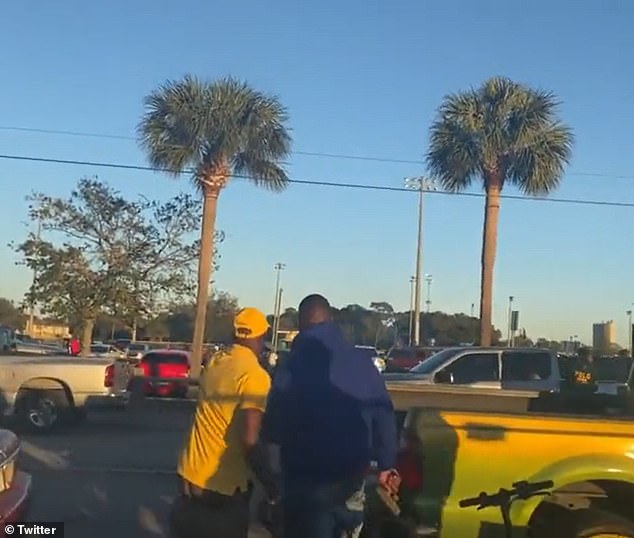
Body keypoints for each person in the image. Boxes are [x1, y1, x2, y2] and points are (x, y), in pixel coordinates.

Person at [262, 294, 399, 538]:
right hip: (351, 478)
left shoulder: (291, 366)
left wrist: (273, 479)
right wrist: (386, 464)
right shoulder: (362, 363)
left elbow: (273, 427)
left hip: (304, 482)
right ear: (331, 320)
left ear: (301, 325)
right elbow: (383, 415)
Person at [170, 307, 280, 538]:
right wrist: (272, 486)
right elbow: (249, 440)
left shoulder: (216, 363)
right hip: (223, 487)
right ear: (260, 338)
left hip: (189, 475)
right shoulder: (255, 376)